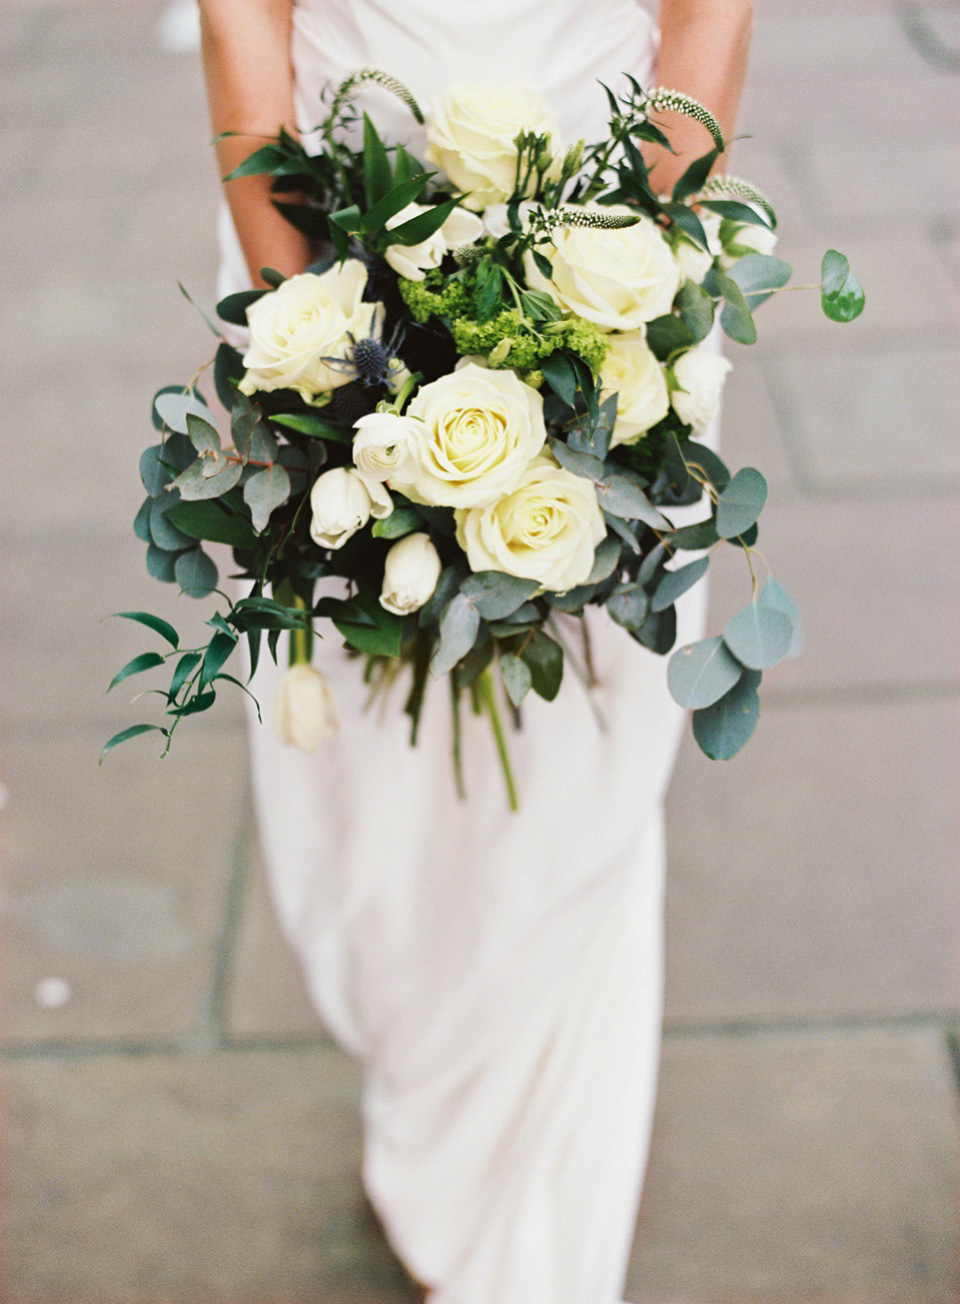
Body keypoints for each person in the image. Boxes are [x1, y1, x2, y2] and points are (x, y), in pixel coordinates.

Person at [198, 3, 754, 1301]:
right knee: (366, 784)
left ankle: (538, 1222)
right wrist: (322, 361)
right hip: (324, 248)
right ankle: (435, 1098)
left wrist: (636, 290)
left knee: (584, 762)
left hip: (606, 266)